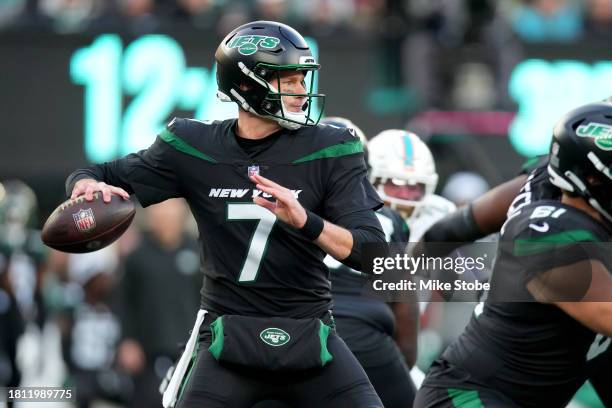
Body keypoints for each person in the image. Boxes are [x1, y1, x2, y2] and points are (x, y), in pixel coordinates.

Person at [64, 20, 385, 408]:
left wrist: (306, 221)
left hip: (309, 331)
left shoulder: (331, 148)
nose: (303, 92)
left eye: (304, 79)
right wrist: (83, 185)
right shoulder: (192, 145)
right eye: (291, 80)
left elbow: (373, 254)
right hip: (224, 335)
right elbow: (101, 174)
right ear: (246, 85)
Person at [414, 102, 612, 407]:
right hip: (468, 396)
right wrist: (389, 274)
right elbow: (606, 314)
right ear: (594, 177)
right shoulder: (547, 229)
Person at [321, 117, 419, 408]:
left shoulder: (284, 210)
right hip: (370, 336)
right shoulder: (389, 220)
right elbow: (405, 304)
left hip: (301, 337)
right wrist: (399, 364)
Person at [117, 198, 201, 408]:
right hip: (147, 354)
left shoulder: (199, 253)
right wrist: (127, 341)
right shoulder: (137, 257)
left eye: (171, 209)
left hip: (192, 353)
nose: (165, 215)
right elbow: (123, 302)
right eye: (159, 210)